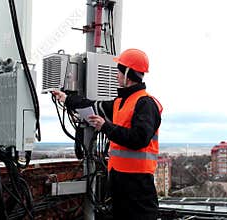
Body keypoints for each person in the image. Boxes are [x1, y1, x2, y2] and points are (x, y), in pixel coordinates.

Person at [53, 48, 162, 220]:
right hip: (119, 180)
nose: (116, 76)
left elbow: (139, 139)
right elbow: (92, 105)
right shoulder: (120, 102)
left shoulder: (145, 103)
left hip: (138, 184)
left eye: (119, 71)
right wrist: (66, 99)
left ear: (128, 73)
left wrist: (106, 127)